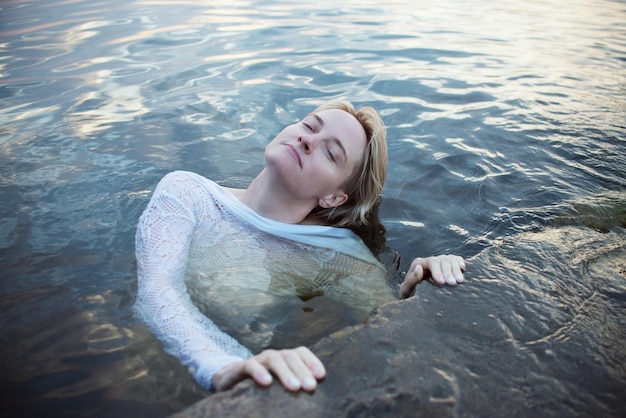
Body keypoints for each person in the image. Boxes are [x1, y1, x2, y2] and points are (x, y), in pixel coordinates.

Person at [134, 101, 466, 394]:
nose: (308, 139)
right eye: (309, 125)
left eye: (330, 152)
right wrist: (224, 367)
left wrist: (419, 288)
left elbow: (393, 330)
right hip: (147, 367)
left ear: (334, 197)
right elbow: (157, 290)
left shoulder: (333, 255)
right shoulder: (187, 194)